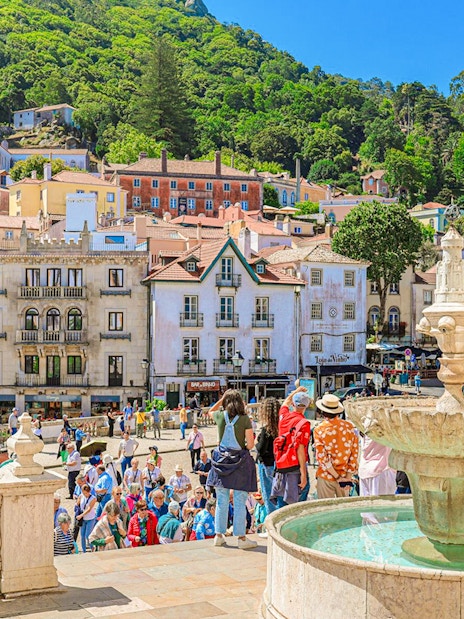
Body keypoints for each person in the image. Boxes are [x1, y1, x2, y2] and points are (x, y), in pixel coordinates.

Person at [207, 389, 258, 550]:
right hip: (239, 463)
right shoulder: (244, 420)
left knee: (221, 500)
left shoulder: (220, 416)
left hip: (221, 462)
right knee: (239, 500)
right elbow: (250, 445)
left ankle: (219, 535)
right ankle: (241, 538)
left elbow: (210, 411)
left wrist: (222, 398)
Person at [313, 393, 359, 499]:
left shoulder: (319, 429)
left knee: (326, 510)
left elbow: (322, 459)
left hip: (326, 476)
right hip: (345, 476)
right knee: (344, 511)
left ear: (322, 411)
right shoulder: (349, 427)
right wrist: (347, 478)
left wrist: (336, 477)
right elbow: (354, 454)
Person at [270, 388, 311, 507]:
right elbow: (300, 449)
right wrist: (303, 474)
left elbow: (285, 403)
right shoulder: (303, 423)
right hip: (295, 468)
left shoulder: (283, 417)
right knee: (297, 506)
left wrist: (296, 391)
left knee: (282, 505)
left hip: (281, 466)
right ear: (306, 406)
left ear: (293, 404)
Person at [255, 397, 279, 515]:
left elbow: (261, 449)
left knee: (268, 495)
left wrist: (257, 442)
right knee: (279, 496)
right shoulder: (281, 427)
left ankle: (271, 525)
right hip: (279, 464)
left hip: (266, 465)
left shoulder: (267, 429)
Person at [75, 484, 97, 553]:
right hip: (83, 519)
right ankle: (84, 551)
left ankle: (92, 547)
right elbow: (77, 504)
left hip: (90, 518)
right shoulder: (81, 496)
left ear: (89, 491)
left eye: (86, 493)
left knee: (88, 535)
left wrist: (81, 515)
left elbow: (89, 509)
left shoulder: (93, 498)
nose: (85, 494)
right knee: (82, 535)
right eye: (83, 493)